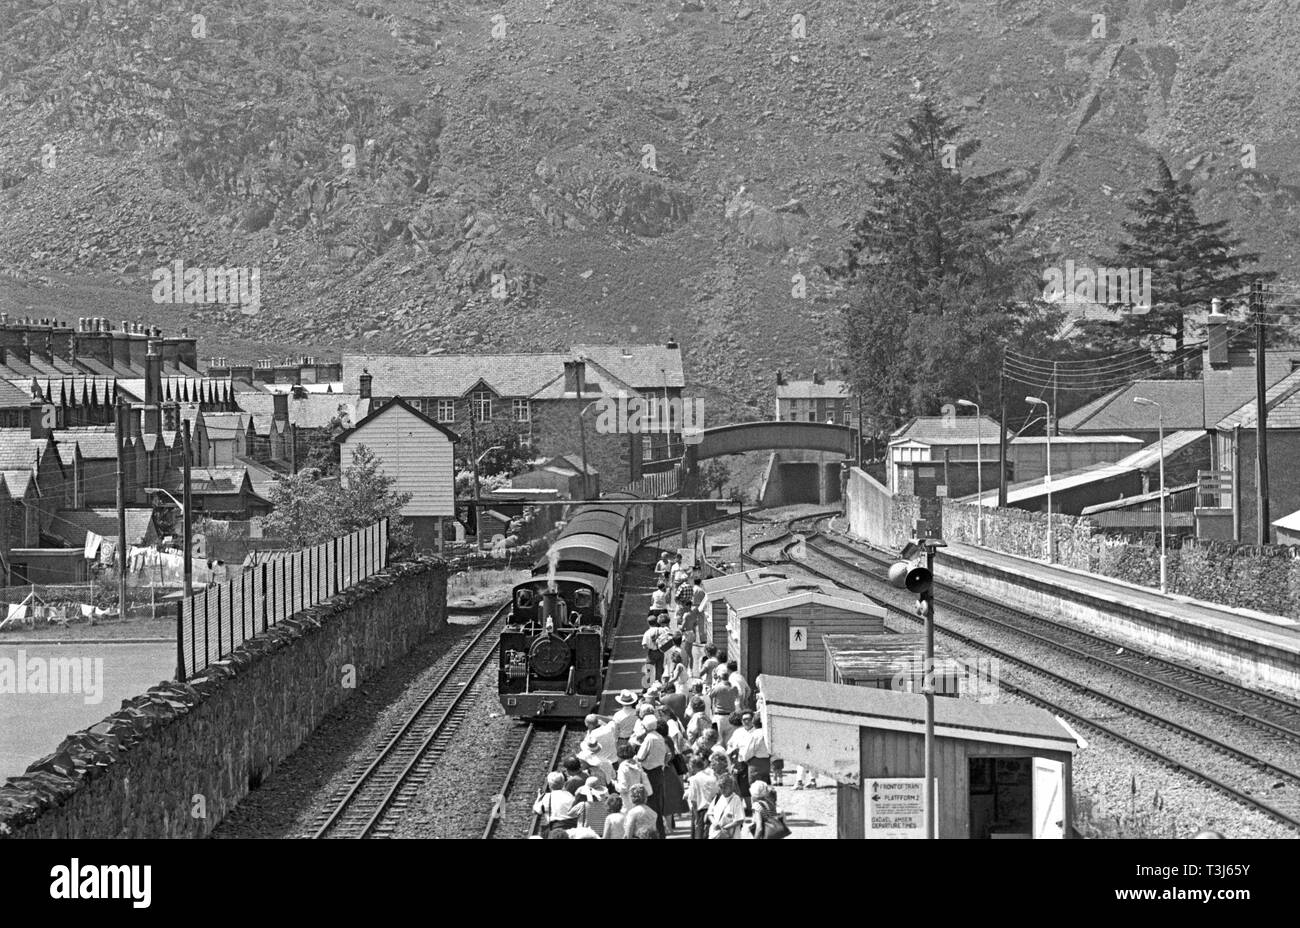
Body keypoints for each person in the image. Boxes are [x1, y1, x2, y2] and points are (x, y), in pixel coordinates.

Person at [636, 716, 670, 837]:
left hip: (650, 774)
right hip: (659, 773)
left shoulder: (649, 738)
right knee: (658, 805)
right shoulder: (659, 737)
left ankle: (653, 833)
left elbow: (640, 757)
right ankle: (661, 832)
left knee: (651, 805)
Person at [732, 711, 771, 788]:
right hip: (765, 763)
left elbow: (749, 751)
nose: (746, 721)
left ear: (753, 722)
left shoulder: (756, 734)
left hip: (755, 764)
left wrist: (745, 758)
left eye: (749, 719)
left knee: (755, 788)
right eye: (744, 720)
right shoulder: (766, 733)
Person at [686, 754, 718, 839]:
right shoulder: (712, 777)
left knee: (699, 835)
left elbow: (693, 800)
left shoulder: (694, 779)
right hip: (713, 811)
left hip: (700, 812)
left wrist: (696, 817)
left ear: (692, 766)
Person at [706, 775, 746, 839]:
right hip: (715, 835)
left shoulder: (736, 799)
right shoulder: (718, 797)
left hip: (730, 835)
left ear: (731, 787)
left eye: (725, 787)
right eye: (721, 787)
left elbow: (740, 820)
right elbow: (710, 813)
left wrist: (724, 828)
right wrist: (714, 823)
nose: (723, 789)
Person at [615, 744, 651, 810]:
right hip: (639, 798)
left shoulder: (623, 767)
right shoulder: (637, 764)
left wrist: (615, 784)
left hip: (628, 801)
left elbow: (623, 787)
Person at [710, 674, 739, 746]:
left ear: (720, 678)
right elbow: (737, 697)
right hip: (731, 717)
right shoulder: (734, 688)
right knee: (729, 742)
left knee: (718, 742)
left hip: (719, 716)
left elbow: (709, 696)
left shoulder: (718, 688)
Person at [641, 616, 665, 681]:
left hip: (651, 653)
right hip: (661, 652)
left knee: (648, 670)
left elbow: (644, 646)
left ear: (648, 623)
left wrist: (650, 644)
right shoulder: (661, 630)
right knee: (659, 670)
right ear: (657, 621)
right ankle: (658, 684)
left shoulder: (647, 633)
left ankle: (646, 687)